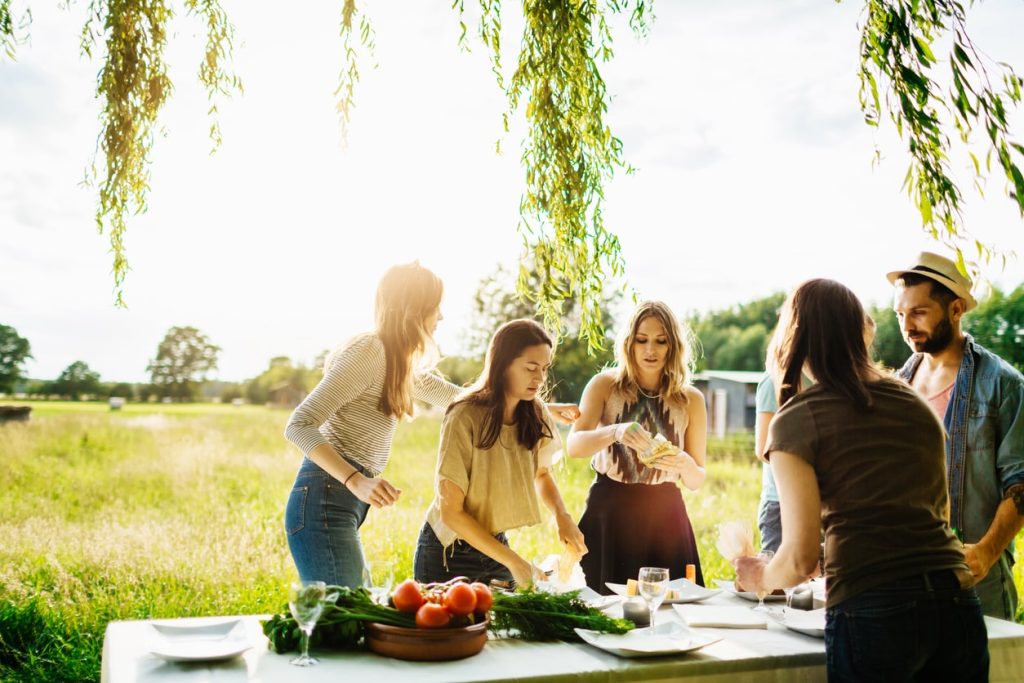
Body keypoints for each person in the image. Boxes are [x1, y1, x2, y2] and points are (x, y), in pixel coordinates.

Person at [736, 278, 988, 682]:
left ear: (792, 334)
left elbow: (799, 558)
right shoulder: (914, 403)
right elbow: (936, 513)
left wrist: (760, 577)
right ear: (858, 333)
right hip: (956, 602)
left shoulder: (797, 419)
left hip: (876, 608)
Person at [284, 262, 581, 587]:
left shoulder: (398, 362)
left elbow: (462, 398)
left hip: (341, 500)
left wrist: (538, 405)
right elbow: (299, 424)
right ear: (412, 310)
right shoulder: (370, 351)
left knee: (350, 612)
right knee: (343, 617)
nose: (440, 317)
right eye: (435, 307)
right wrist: (356, 480)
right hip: (325, 496)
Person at [889, 251, 1024, 620]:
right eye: (900, 314)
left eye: (918, 312)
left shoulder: (1003, 384)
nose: (907, 326)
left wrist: (986, 550)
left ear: (955, 309)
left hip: (975, 580)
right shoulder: (896, 387)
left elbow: (1020, 483)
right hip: (902, 579)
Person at [413, 319, 587, 587]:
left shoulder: (535, 412)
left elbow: (541, 474)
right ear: (502, 364)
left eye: (544, 368)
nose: (540, 378)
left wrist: (562, 517)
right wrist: (515, 562)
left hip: (495, 546)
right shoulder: (464, 416)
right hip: (447, 552)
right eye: (531, 368)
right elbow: (451, 512)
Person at [567, 301, 707, 592]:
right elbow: (574, 446)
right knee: (601, 612)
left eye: (661, 341)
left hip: (667, 516)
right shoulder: (604, 385)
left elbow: (696, 480)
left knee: (669, 613)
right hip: (610, 512)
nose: (650, 350)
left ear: (674, 346)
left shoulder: (691, 400)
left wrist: (685, 464)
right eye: (642, 340)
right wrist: (615, 431)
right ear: (628, 343)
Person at [753, 316, 875, 554]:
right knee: (782, 582)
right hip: (783, 503)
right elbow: (763, 449)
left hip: (829, 503)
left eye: (865, 349)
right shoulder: (776, 382)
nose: (859, 358)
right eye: (855, 347)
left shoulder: (839, 384)